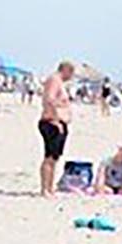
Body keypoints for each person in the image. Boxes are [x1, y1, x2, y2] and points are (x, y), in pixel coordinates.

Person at [39, 61, 75, 198]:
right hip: (52, 122)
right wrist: (55, 120)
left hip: (59, 122)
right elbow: (49, 100)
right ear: (66, 70)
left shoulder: (59, 82)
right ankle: (45, 189)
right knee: (49, 157)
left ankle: (50, 187)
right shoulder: (54, 80)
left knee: (55, 157)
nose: (71, 77)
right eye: (71, 73)